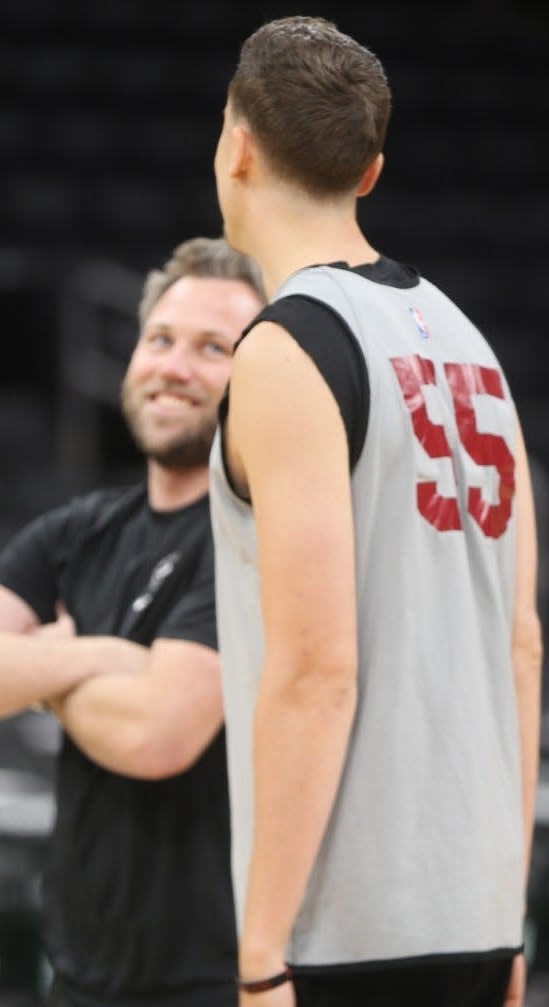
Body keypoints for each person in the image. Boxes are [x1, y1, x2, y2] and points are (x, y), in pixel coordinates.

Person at [210, 17, 542, 1007]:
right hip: (475, 915)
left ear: (236, 146)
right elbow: (521, 648)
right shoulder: (472, 343)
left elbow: (315, 671)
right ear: (369, 173)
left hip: (342, 926)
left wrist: (261, 947)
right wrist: (508, 908)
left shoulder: (285, 347)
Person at [0, 237, 265, 1007]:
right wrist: (98, 656)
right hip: (80, 976)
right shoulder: (79, 531)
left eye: (211, 348)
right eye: (159, 339)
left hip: (219, 983)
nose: (173, 365)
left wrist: (35, 669)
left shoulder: (256, 537)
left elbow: (154, 734)